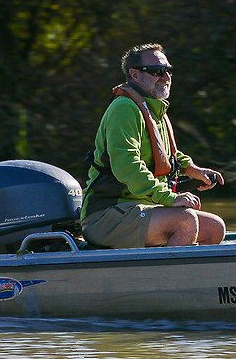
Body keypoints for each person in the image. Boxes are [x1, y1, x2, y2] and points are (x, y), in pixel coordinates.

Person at [80, 43, 226, 248]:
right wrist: (170, 198)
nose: (165, 77)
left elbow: (167, 156)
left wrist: (193, 170)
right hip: (105, 216)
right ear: (134, 75)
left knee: (214, 228)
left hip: (141, 209)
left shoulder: (154, 110)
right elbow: (127, 167)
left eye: (168, 71)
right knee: (185, 221)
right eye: (157, 71)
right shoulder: (124, 108)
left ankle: (190, 277)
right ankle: (168, 280)